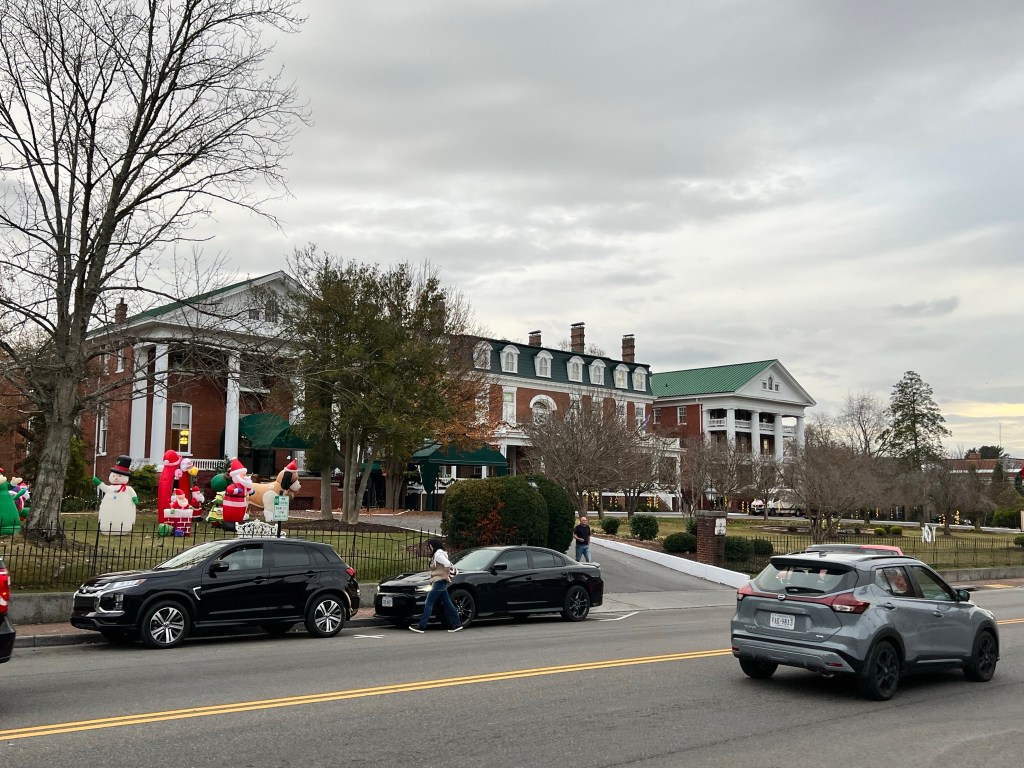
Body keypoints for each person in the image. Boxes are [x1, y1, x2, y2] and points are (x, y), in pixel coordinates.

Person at [409, 538, 463, 634]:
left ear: (432, 545)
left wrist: (445, 575)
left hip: (439, 581)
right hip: (440, 581)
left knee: (429, 602)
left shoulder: (438, 555)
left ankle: (422, 626)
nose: (429, 548)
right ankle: (457, 623)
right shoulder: (441, 553)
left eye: (429, 546)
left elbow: (446, 564)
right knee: (447, 603)